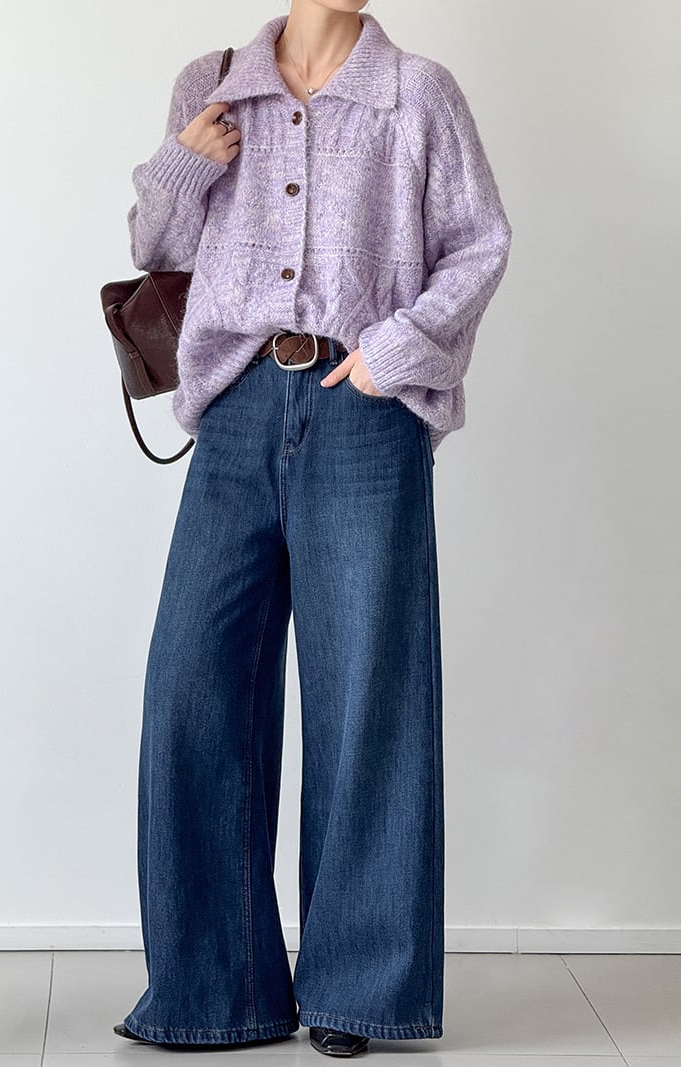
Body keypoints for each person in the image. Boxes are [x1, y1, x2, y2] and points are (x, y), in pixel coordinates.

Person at [114, 0, 512, 1057]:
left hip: (363, 406)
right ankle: (213, 988)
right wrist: (183, 161)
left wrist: (398, 350)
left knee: (367, 695)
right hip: (237, 403)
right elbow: (154, 244)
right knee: (193, 686)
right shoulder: (212, 81)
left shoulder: (417, 94)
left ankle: (357, 990)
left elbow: (478, 243)